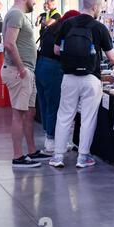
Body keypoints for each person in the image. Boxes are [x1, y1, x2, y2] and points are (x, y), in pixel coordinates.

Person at [49, 0, 114, 168]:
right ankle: (83, 158)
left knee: (65, 115)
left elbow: (56, 50)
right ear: (95, 7)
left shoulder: (67, 24)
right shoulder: (99, 28)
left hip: (68, 77)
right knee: (88, 118)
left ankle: (57, 156)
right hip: (91, 79)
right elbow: (112, 57)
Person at [1, 0, 51, 168]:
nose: (35, 1)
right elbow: (9, 43)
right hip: (19, 72)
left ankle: (31, 151)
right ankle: (17, 157)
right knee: (19, 114)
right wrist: (21, 68)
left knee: (30, 112)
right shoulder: (15, 14)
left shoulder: (19, 16)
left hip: (27, 71)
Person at [35, 9, 81, 156]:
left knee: (45, 103)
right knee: (55, 105)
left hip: (40, 65)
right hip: (53, 68)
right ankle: (51, 141)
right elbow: (60, 52)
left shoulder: (52, 28)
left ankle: (49, 137)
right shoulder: (65, 31)